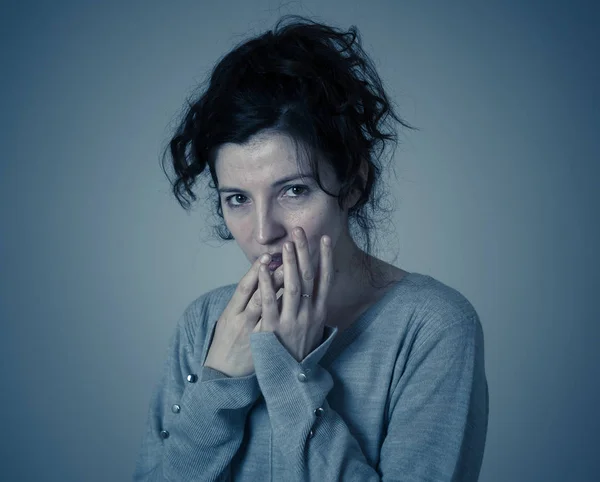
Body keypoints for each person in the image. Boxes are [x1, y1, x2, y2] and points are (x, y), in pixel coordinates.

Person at [133, 14, 488, 482]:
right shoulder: (205, 325)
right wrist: (219, 384)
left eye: (294, 191)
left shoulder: (432, 327)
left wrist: (290, 376)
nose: (264, 232)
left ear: (354, 185)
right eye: (237, 199)